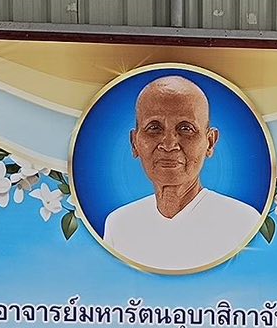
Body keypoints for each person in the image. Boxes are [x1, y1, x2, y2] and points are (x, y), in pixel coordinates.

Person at [99, 74, 263, 273]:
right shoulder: (120, 224)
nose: (168, 145)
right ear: (135, 143)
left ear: (210, 142)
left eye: (186, 128)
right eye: (154, 128)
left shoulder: (243, 222)